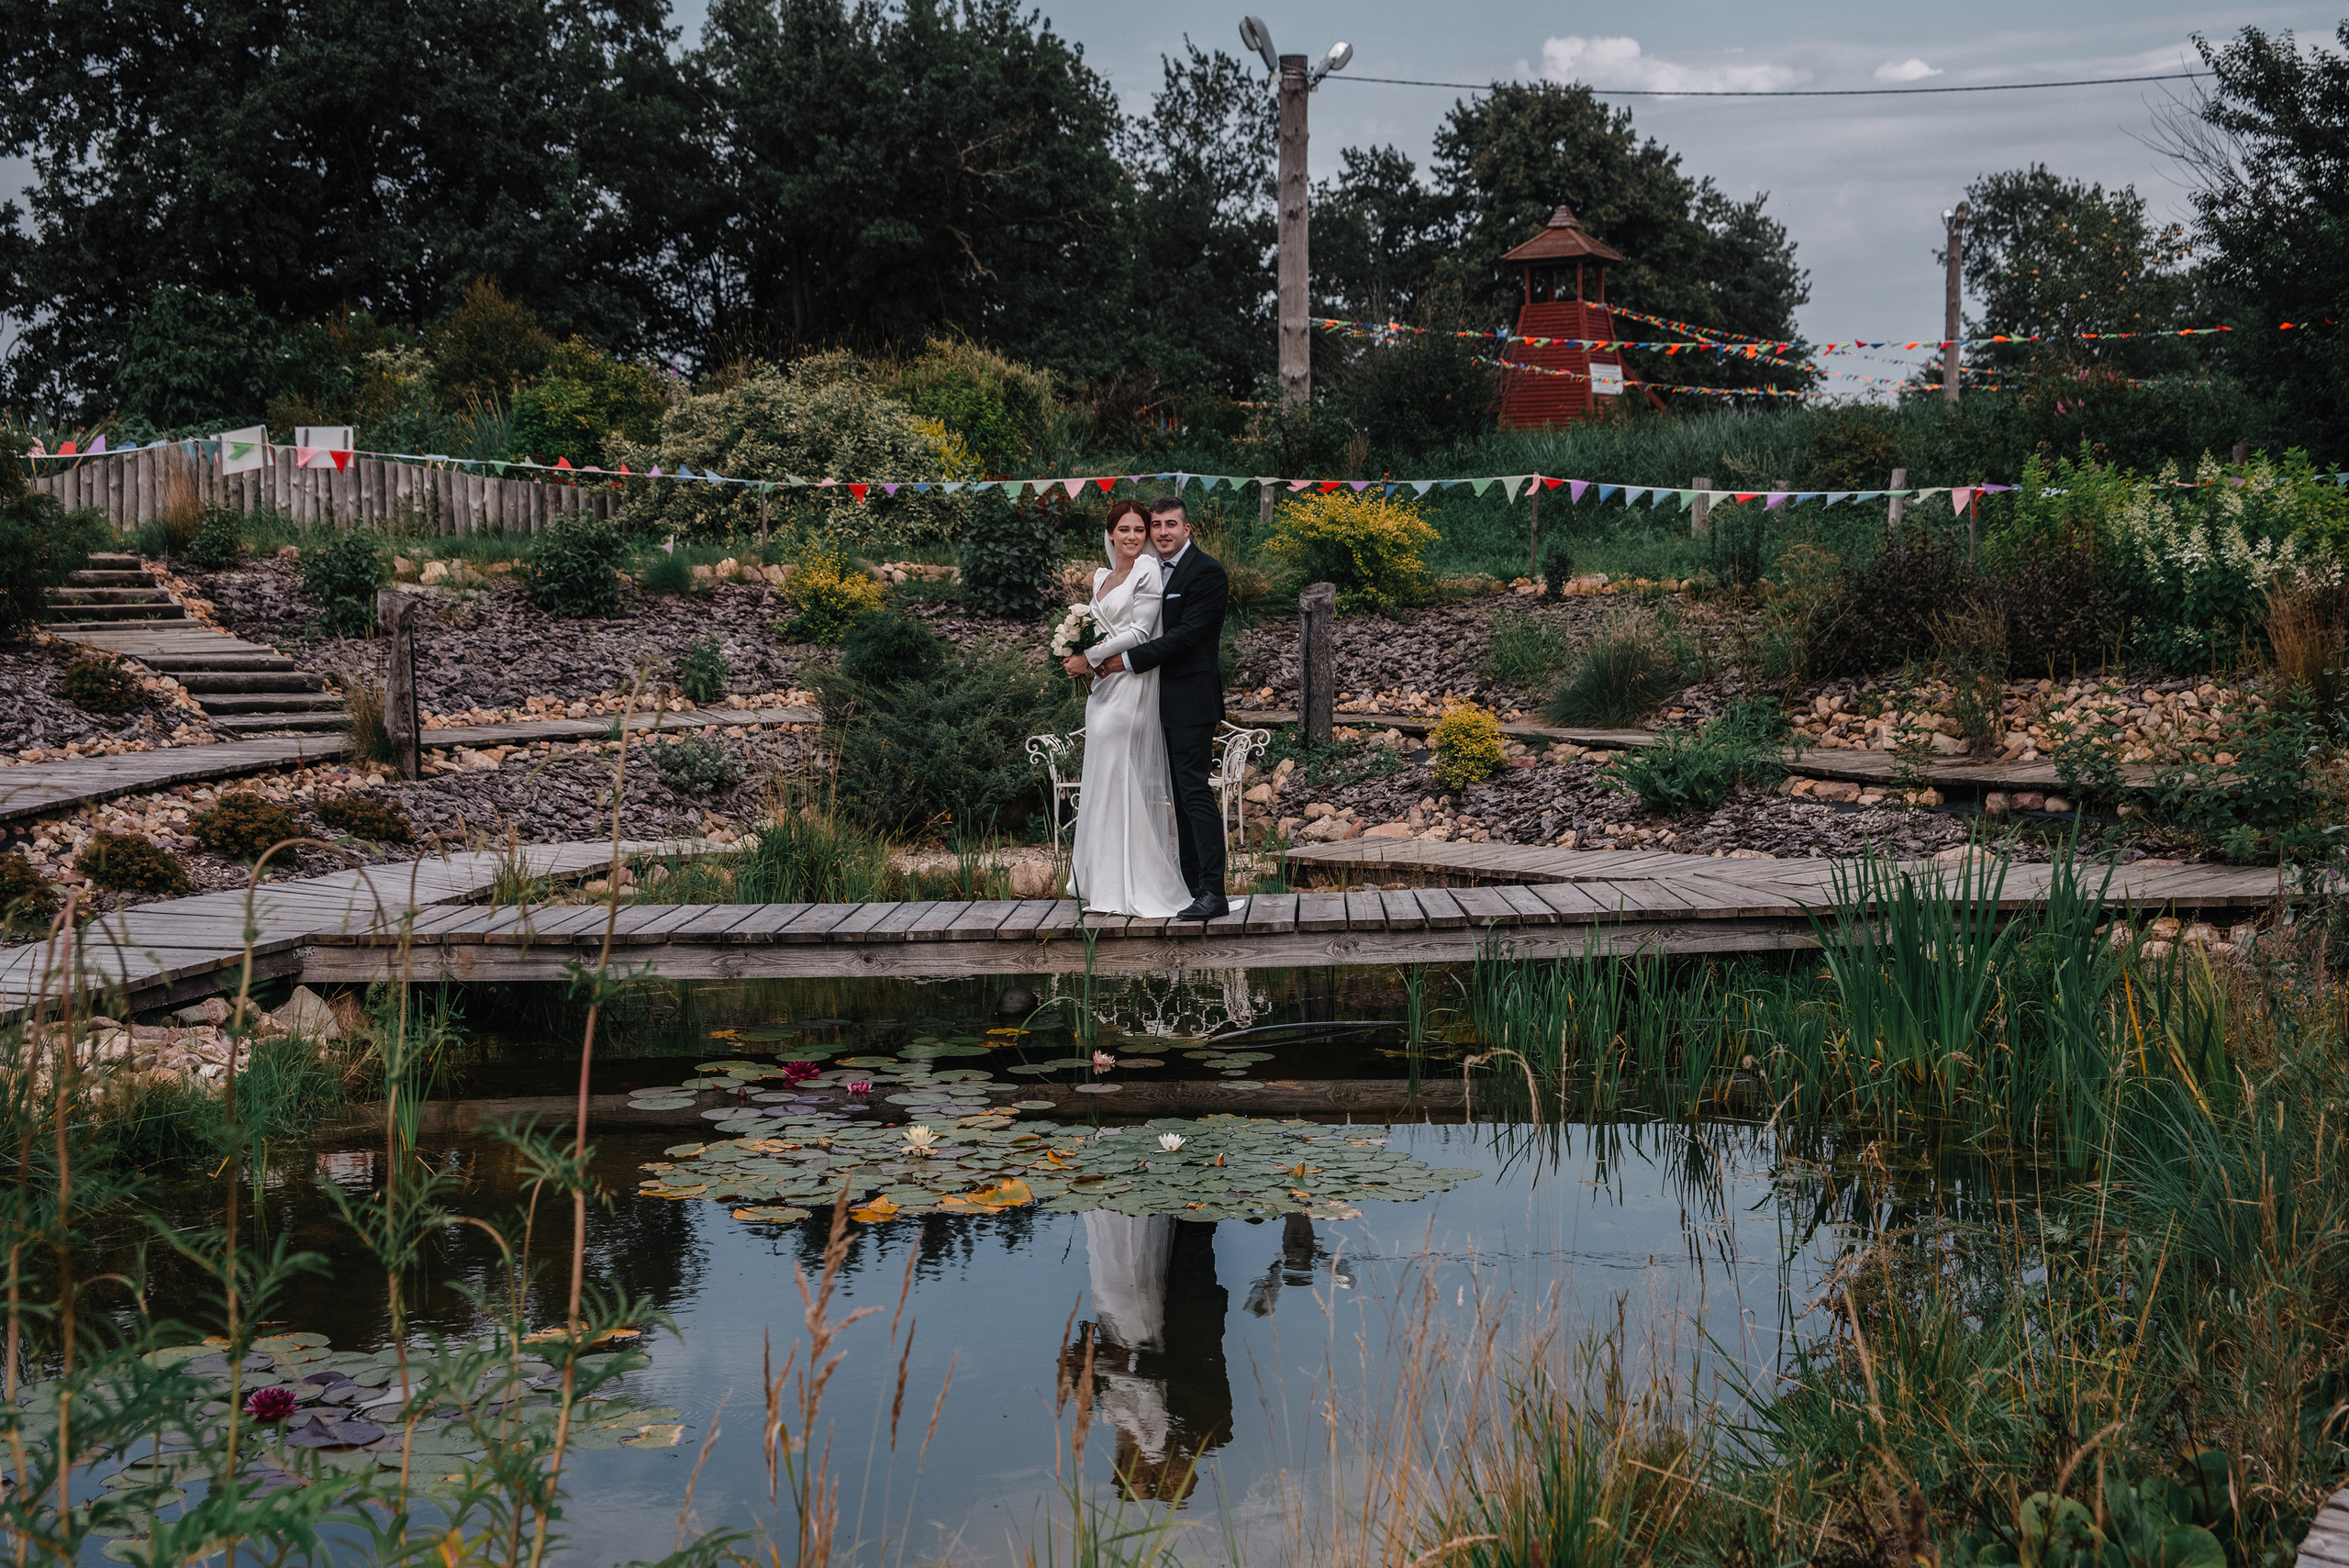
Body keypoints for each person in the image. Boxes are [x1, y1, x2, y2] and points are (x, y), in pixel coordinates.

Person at [1066, 496, 1231, 920]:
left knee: (1194, 792)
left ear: (1187, 529)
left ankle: (1214, 891)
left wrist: (1118, 661)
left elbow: (1187, 636)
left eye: (1169, 524)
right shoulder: (1155, 570)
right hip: (1153, 694)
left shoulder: (1206, 572)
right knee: (1177, 795)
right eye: (1155, 524)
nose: (1161, 532)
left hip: (1191, 697)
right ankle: (1192, 885)